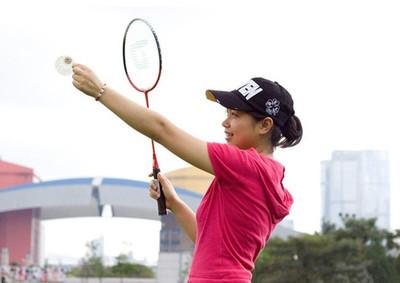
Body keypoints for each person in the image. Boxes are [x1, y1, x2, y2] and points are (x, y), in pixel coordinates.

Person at [71, 64, 302, 282]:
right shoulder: (267, 177)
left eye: (235, 115)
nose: (225, 123)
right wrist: (176, 204)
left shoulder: (246, 166)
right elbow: (211, 244)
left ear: (264, 125)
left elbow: (162, 131)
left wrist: (100, 92)